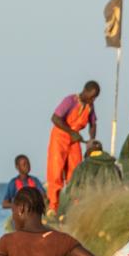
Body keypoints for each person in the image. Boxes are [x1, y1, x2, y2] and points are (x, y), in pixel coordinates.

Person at [46, 82, 100, 212]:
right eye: (91, 96)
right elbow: (55, 118)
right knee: (56, 173)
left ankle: (75, 207)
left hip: (74, 141)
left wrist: (91, 140)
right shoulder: (70, 101)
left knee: (75, 173)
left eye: (95, 97)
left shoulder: (90, 106)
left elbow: (93, 124)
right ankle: (53, 207)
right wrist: (71, 132)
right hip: (60, 137)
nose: (93, 100)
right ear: (85, 91)